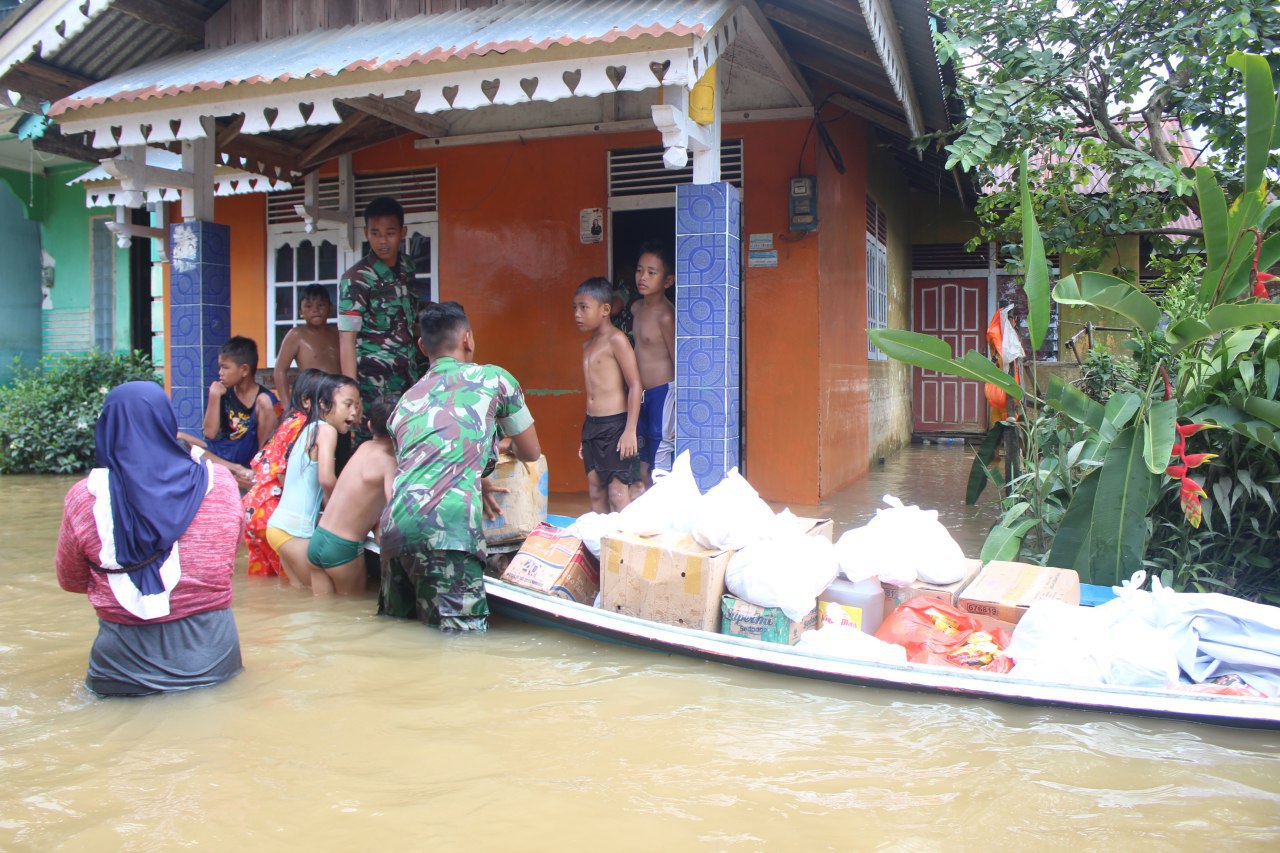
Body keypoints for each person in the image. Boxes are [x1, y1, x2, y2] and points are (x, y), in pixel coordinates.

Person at [55, 382, 244, 696]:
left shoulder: (84, 498)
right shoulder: (220, 484)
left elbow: (70, 580)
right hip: (212, 664)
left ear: (106, 429)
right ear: (167, 424)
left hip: (119, 673)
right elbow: (227, 559)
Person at [379, 302, 540, 632]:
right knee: (463, 648)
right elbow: (532, 451)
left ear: (423, 347)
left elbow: (421, 463)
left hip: (394, 533)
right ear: (468, 339)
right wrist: (499, 451)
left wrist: (477, 479)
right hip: (450, 531)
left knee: (399, 637)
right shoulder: (494, 379)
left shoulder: (405, 401)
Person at [337, 196, 422, 442]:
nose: (382, 240)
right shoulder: (356, 279)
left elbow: (410, 318)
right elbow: (346, 339)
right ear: (366, 233)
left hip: (408, 376)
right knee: (371, 445)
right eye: (375, 233)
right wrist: (351, 394)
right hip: (372, 383)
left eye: (390, 233)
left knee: (408, 442)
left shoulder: (407, 268)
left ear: (403, 232)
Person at [266, 373, 362, 591]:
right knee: (323, 597)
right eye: (348, 405)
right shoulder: (326, 431)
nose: (354, 412)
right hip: (294, 531)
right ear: (323, 403)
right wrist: (344, 512)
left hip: (278, 527)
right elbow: (327, 479)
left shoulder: (309, 428)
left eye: (357, 405)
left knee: (300, 594)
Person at [306, 393, 398, 595]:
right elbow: (395, 509)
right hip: (343, 547)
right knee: (352, 614)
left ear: (369, 425)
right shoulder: (388, 462)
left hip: (318, 539)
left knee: (323, 614)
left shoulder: (363, 448)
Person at [241, 368, 326, 578]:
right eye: (326, 401)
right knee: (293, 583)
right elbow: (282, 475)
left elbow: (258, 465)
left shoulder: (287, 422)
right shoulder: (305, 427)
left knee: (262, 584)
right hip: (272, 512)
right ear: (308, 401)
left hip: (252, 510)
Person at [573, 277, 642, 512]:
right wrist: (587, 434)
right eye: (575, 308)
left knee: (618, 493)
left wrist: (630, 430)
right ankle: (600, 546)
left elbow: (635, 385)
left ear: (605, 309)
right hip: (592, 426)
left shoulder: (617, 340)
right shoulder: (586, 345)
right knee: (595, 491)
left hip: (615, 426)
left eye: (584, 308)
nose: (577, 314)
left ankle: (624, 546)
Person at [196, 336, 279, 489]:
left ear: (244, 370)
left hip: (249, 455)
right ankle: (235, 472)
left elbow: (271, 443)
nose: (220, 373)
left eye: (225, 367)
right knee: (180, 439)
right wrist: (214, 396)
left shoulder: (266, 399)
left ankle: (252, 474)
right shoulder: (222, 393)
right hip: (222, 455)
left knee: (265, 401)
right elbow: (209, 433)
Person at [631, 240, 677, 484]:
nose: (643, 277)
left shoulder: (666, 315)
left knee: (660, 453)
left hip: (663, 393)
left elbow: (676, 359)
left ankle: (663, 510)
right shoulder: (637, 308)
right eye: (640, 270)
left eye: (651, 272)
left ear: (668, 281)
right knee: (642, 456)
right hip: (640, 394)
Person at [273, 284, 341, 405]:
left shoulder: (338, 334)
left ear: (330, 307)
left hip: (338, 395)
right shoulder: (296, 335)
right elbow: (280, 371)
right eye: (308, 306)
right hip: (311, 396)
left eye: (321, 305)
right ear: (300, 311)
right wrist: (287, 406)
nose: (315, 310)